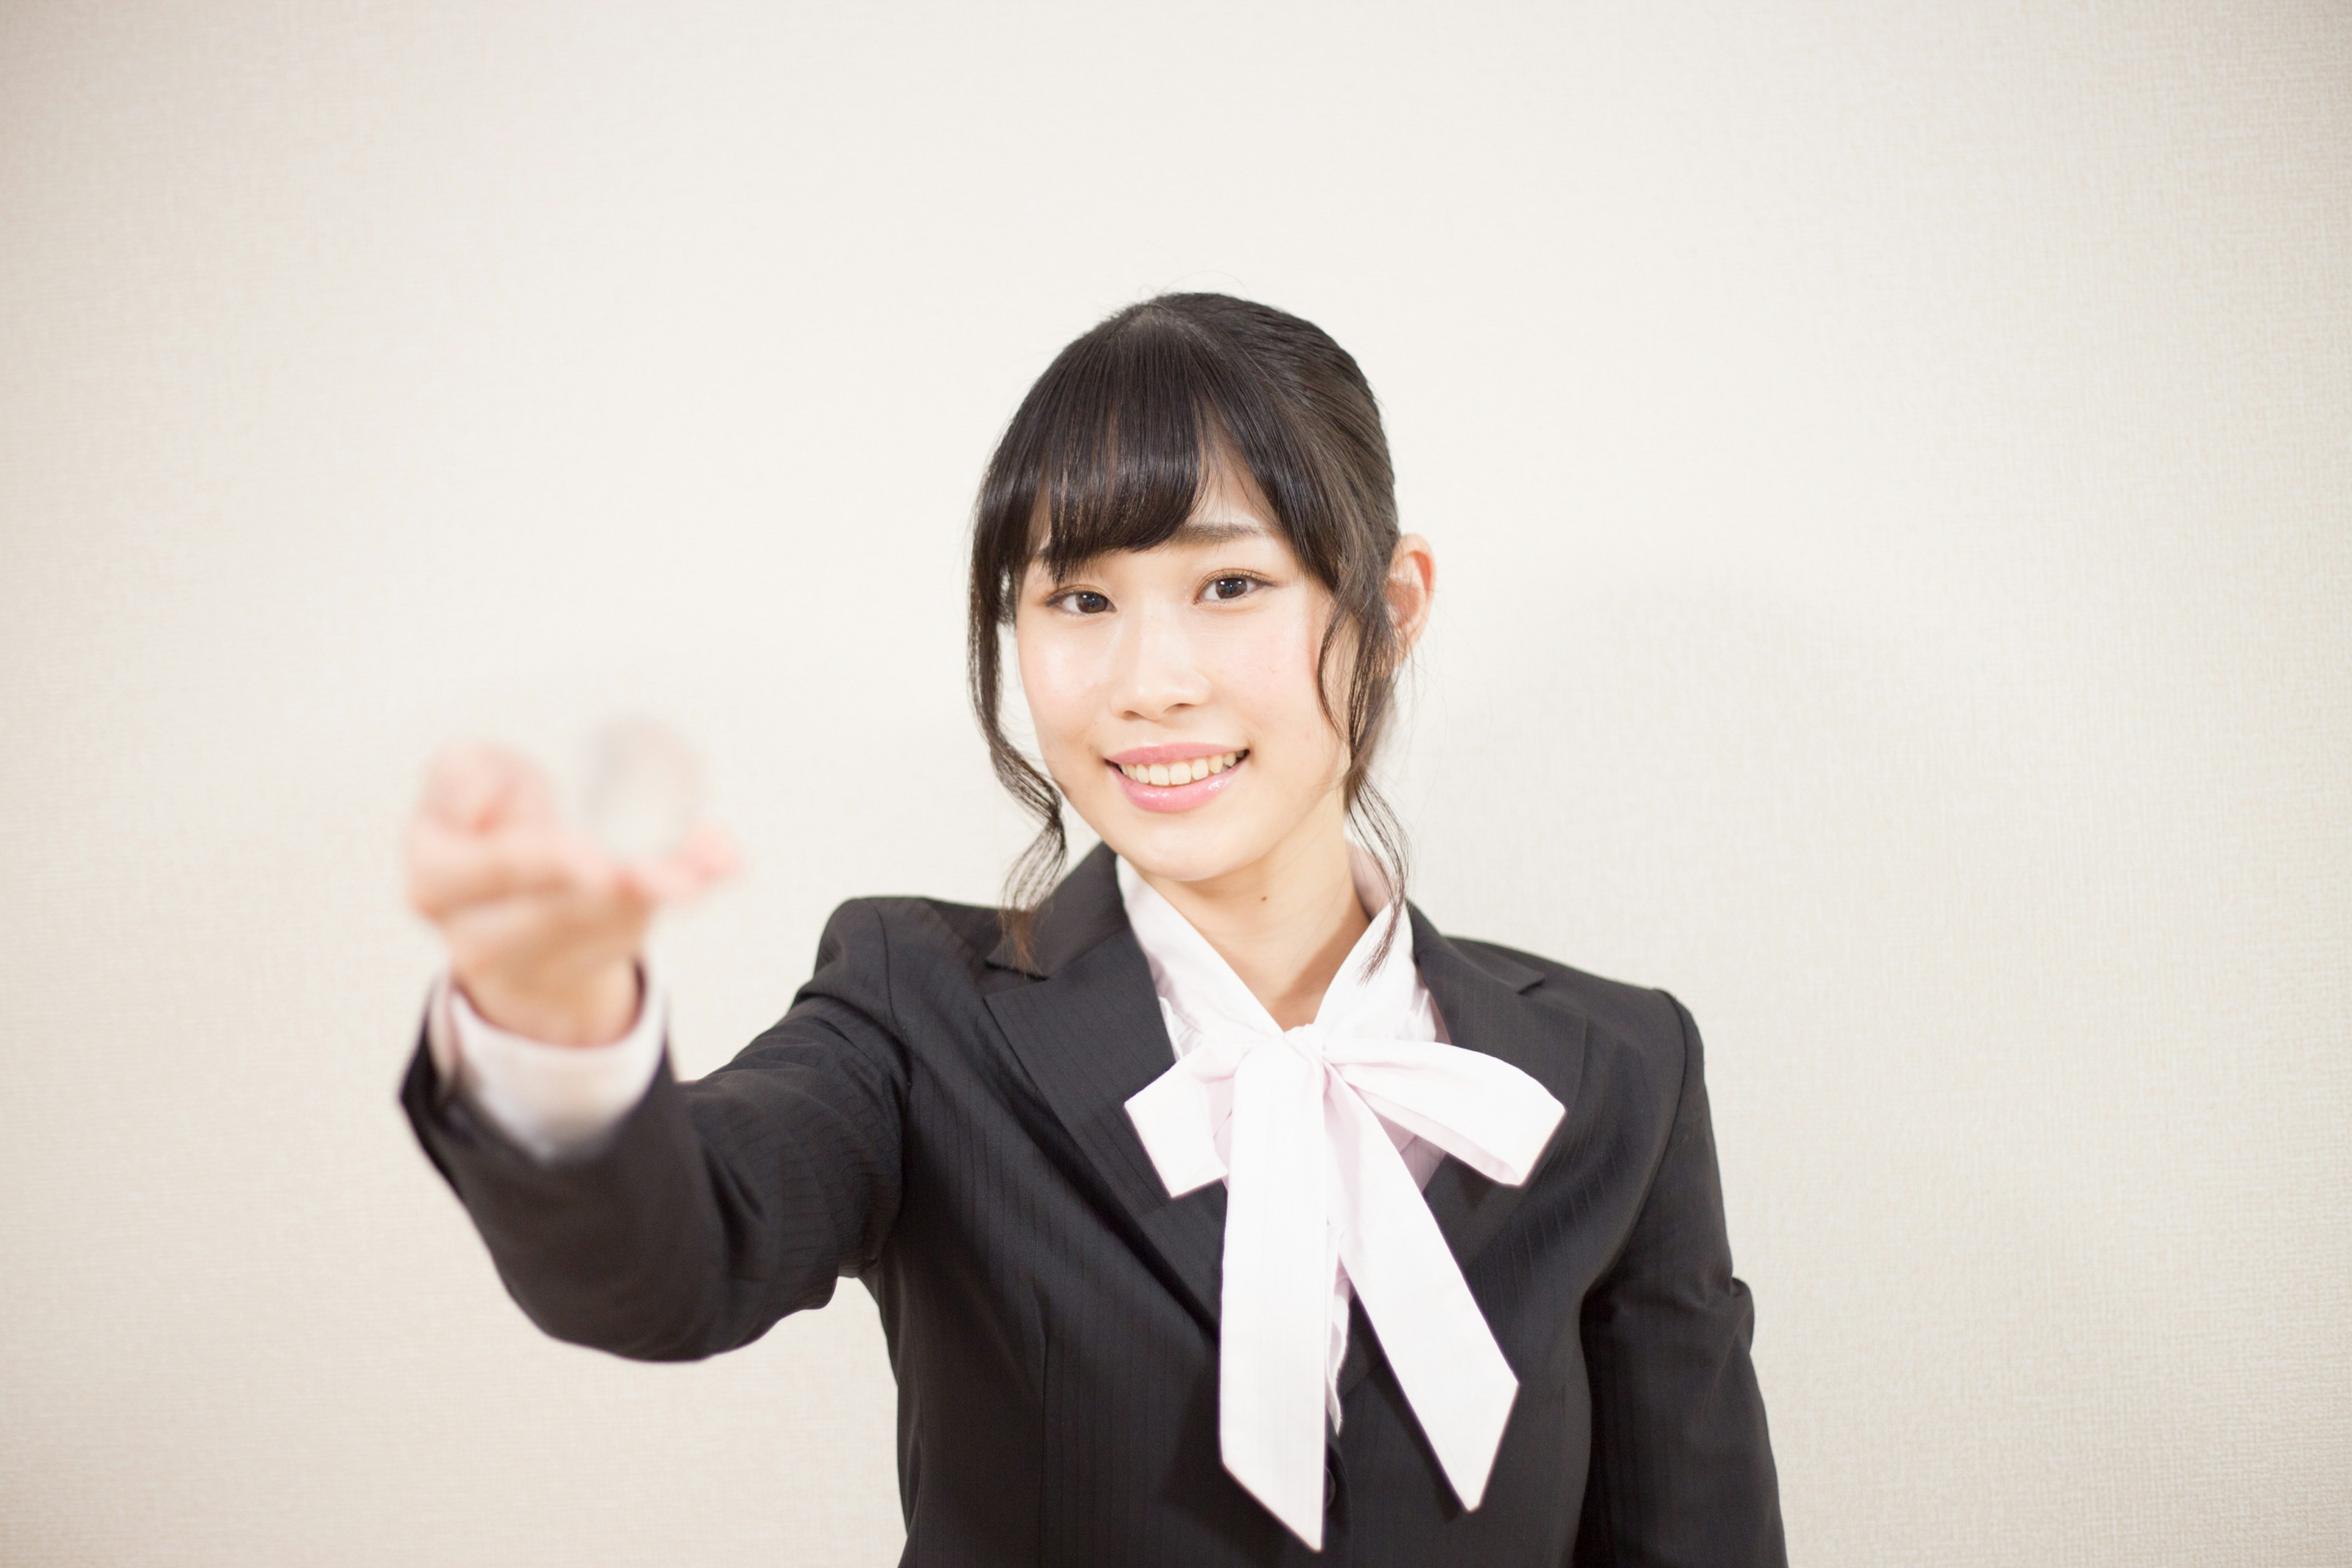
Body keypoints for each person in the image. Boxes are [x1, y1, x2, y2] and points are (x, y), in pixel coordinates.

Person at [399, 293, 1785, 1566]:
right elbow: (671, 1265)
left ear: (1391, 606)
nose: (1149, 681)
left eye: (1229, 586)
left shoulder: (1618, 1070)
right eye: (1079, 600)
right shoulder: (915, 1009)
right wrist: (553, 1028)